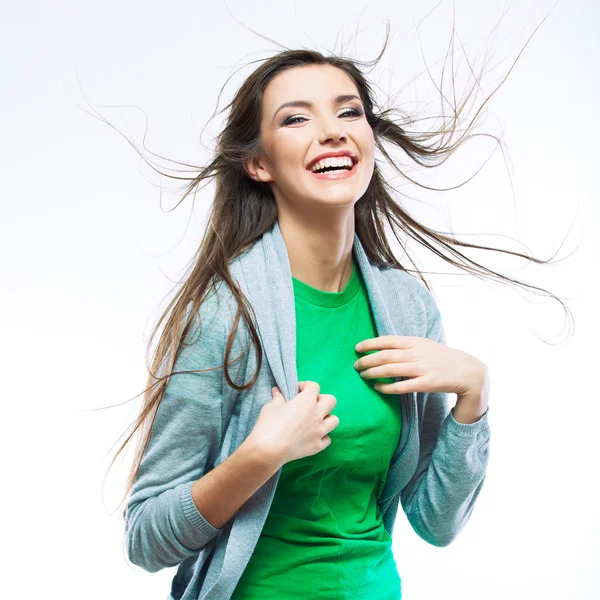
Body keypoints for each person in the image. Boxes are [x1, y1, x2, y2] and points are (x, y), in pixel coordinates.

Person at [109, 36, 563, 600]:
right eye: (296, 119)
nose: (333, 129)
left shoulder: (406, 306)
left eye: (349, 111)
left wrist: (474, 396)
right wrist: (260, 455)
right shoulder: (228, 313)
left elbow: (436, 522)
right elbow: (146, 538)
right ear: (257, 163)